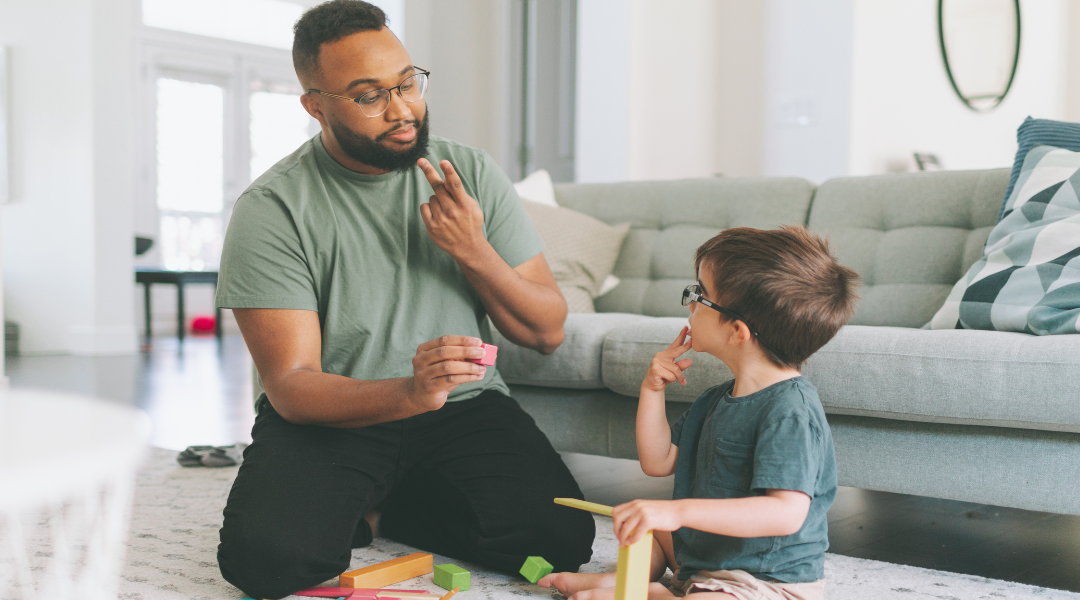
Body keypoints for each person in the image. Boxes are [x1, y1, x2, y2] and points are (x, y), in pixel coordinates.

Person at [213, 1, 595, 598]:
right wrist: (409, 392)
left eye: (407, 82)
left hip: (463, 406)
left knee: (559, 542)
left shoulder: (467, 171)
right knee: (268, 564)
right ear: (316, 105)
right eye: (369, 96)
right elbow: (290, 383)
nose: (402, 109)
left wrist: (474, 249)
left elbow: (546, 331)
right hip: (337, 412)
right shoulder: (273, 209)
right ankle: (368, 494)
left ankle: (386, 509)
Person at [540, 227, 860, 600]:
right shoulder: (716, 399)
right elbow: (657, 461)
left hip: (764, 581)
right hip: (704, 560)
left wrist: (679, 512)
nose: (691, 305)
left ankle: (647, 593)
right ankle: (640, 585)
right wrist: (652, 390)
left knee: (686, 553)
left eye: (700, 295)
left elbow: (785, 514)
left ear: (737, 331)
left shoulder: (789, 411)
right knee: (651, 528)